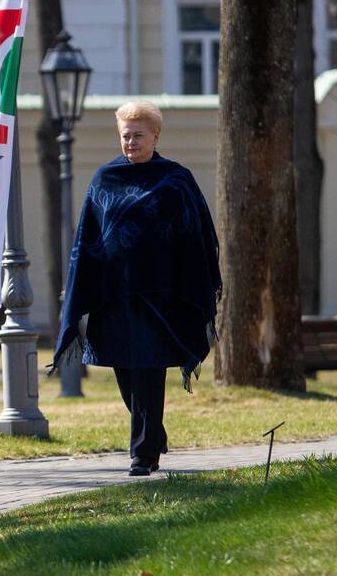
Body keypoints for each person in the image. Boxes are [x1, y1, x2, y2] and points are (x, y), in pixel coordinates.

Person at [53, 100, 222, 476]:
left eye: (138, 135)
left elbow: (196, 234)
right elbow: (88, 238)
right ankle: (154, 434)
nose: (131, 142)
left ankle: (143, 455)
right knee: (125, 372)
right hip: (113, 296)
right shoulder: (104, 179)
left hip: (160, 297)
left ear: (155, 136)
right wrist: (85, 287)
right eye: (125, 135)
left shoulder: (175, 180)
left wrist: (190, 281)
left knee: (147, 370)